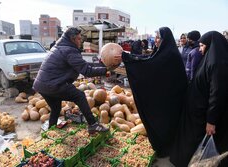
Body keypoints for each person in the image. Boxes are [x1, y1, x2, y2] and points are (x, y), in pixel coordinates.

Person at [33, 27, 120, 133]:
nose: (81, 41)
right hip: (54, 85)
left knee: (56, 108)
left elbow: (83, 65)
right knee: (79, 96)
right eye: (79, 39)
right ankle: (93, 124)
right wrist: (105, 70)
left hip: (42, 86)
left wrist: (102, 66)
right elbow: (86, 71)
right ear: (72, 39)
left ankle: (52, 130)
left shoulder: (60, 47)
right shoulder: (69, 50)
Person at [122, 27, 188, 165]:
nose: (156, 40)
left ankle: (168, 148)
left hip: (171, 99)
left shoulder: (170, 54)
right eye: (156, 37)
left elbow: (151, 66)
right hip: (165, 98)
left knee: (167, 124)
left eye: (159, 37)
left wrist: (128, 58)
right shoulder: (163, 52)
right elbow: (149, 59)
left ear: (165, 39)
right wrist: (128, 56)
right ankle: (163, 146)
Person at [170, 31, 228, 167]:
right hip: (197, 111)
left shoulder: (217, 64)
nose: (200, 50)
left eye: (202, 46)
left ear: (211, 45)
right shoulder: (210, 58)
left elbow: (217, 94)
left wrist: (211, 121)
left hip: (204, 114)